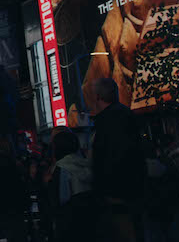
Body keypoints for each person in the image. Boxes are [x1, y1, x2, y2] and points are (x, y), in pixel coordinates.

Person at [91, 77, 144, 242]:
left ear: (98, 96)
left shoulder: (106, 122)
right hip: (134, 188)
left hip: (116, 192)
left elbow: (111, 156)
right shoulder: (127, 115)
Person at [49, 129, 95, 242]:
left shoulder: (62, 167)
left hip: (69, 220)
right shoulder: (85, 164)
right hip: (89, 217)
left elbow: (62, 198)